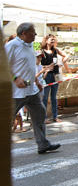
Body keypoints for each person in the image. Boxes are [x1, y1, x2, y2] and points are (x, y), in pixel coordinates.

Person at [5, 23, 61, 154]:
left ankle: (43, 144)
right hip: (15, 92)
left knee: (40, 114)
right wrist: (15, 78)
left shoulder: (29, 46)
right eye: (32, 32)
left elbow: (29, 67)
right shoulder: (12, 45)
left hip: (31, 90)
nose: (35, 35)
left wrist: (37, 81)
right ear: (23, 33)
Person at [40, 34, 68, 122]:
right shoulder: (41, 52)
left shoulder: (55, 50)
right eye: (51, 40)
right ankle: (43, 117)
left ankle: (55, 116)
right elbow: (38, 64)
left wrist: (61, 63)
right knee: (44, 97)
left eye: (54, 40)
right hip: (46, 75)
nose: (53, 41)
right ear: (46, 40)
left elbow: (66, 56)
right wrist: (47, 67)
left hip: (55, 75)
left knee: (54, 97)